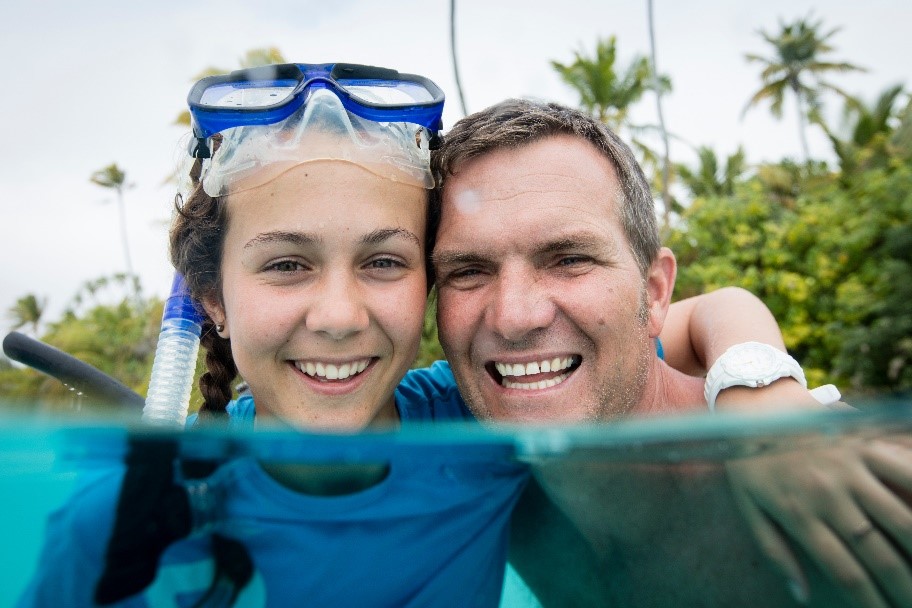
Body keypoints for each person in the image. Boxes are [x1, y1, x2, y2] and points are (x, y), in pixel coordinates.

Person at [18, 64, 809, 608]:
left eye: (384, 261)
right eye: (287, 263)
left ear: (424, 286)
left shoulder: (484, 417)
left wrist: (761, 386)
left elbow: (684, 314)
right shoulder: (114, 525)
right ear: (210, 302)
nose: (337, 314)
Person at [428, 97, 912, 607]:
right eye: (468, 271)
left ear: (655, 292)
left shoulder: (829, 477)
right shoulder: (479, 482)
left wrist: (763, 396)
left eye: (570, 259)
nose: (514, 316)